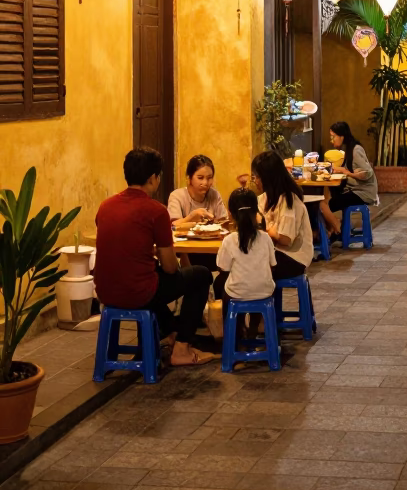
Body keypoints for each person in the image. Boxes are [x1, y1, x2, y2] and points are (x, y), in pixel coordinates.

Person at [94, 147, 214, 367]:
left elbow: (123, 246)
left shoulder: (105, 206)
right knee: (200, 276)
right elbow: (170, 267)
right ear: (153, 178)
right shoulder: (155, 210)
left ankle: (170, 333)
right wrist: (159, 253)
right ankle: (182, 348)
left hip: (105, 291)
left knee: (148, 278)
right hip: (138, 291)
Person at [241, 150, 314, 279]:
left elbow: (285, 240)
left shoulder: (289, 201)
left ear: (268, 177)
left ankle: (258, 297)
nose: (255, 181)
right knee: (241, 262)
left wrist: (266, 230)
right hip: (273, 252)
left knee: (248, 267)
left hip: (293, 258)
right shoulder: (263, 199)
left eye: (257, 177)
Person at [215, 188, 276, 337]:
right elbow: (272, 264)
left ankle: (234, 336)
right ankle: (254, 329)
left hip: (237, 293)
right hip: (265, 291)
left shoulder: (229, 240)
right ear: (257, 212)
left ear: (230, 214)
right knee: (255, 289)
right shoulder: (266, 238)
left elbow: (223, 268)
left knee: (228, 288)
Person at [168, 155, 228, 280]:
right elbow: (173, 225)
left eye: (209, 178)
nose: (205, 183)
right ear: (189, 178)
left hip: (211, 248)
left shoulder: (214, 195)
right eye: (200, 178)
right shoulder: (177, 196)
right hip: (187, 250)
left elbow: (224, 221)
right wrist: (192, 217)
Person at [317, 121, 378, 239]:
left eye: (333, 136)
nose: (331, 140)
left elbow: (367, 173)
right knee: (328, 198)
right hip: (356, 190)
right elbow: (350, 168)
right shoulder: (349, 148)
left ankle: (336, 226)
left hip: (363, 193)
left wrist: (347, 173)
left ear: (341, 136)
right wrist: (335, 169)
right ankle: (332, 229)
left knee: (323, 205)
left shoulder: (356, 150)